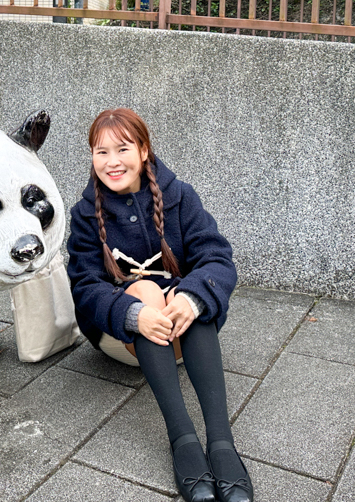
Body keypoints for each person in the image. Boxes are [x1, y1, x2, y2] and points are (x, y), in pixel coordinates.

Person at [67, 109, 252, 502]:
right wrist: (132, 313)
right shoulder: (85, 214)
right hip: (121, 336)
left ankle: (221, 442)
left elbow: (217, 258)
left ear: (144, 149)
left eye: (122, 149)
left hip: (180, 333)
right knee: (148, 293)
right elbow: (84, 286)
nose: (112, 162)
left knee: (197, 296)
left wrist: (191, 297)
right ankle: (182, 438)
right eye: (101, 152)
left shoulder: (180, 196)